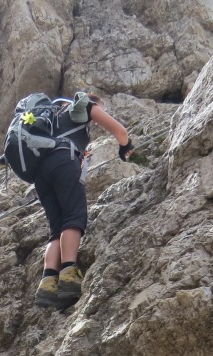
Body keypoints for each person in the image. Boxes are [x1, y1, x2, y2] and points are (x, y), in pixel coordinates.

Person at [31, 92, 136, 310]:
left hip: (40, 174)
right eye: (102, 108)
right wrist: (125, 146)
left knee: (56, 228)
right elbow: (120, 131)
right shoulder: (84, 105)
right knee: (74, 217)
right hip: (64, 161)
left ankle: (48, 282)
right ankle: (69, 274)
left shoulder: (55, 118)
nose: (97, 118)